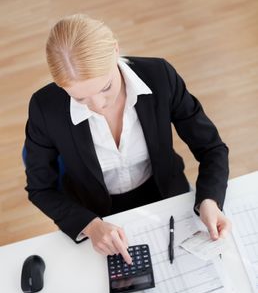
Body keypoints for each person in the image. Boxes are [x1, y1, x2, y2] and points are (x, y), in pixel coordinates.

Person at [24, 13, 231, 264]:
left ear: (115, 50)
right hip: (97, 214)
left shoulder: (160, 76)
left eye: (105, 88)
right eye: (80, 99)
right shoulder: (45, 108)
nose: (98, 106)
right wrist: (89, 226)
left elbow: (211, 148)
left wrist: (210, 199)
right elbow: (40, 188)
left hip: (167, 194)